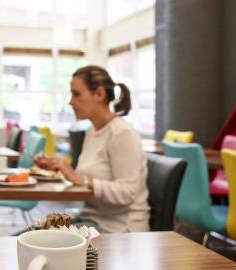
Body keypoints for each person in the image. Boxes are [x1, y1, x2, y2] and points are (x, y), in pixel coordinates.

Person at [35, 66, 150, 233]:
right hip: (91, 221)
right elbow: (89, 180)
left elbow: (127, 193)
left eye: (77, 94)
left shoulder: (122, 133)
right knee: (28, 236)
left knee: (33, 240)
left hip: (119, 228)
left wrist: (79, 179)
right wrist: (61, 171)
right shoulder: (92, 131)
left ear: (100, 94)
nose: (71, 102)